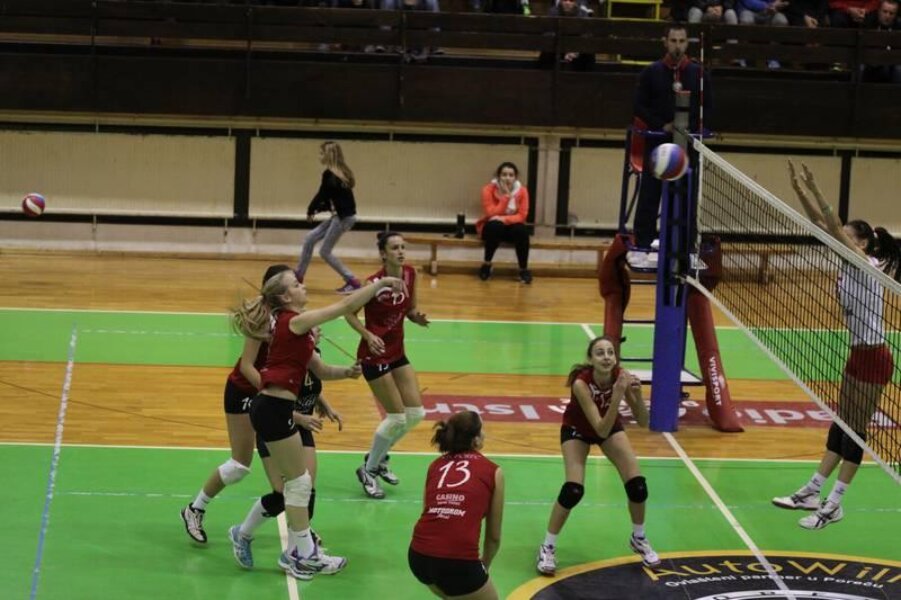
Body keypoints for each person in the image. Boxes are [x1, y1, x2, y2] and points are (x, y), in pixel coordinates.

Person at [232, 267, 406, 578]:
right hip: (272, 409)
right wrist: (382, 283)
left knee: (299, 484)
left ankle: (301, 552)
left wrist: (347, 373)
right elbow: (344, 306)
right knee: (298, 484)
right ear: (286, 297)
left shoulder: (295, 329)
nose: (303, 286)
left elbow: (321, 370)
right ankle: (302, 555)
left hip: (275, 409)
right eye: (296, 284)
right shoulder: (293, 321)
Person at [773, 162, 899, 529]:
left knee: (855, 431)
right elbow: (821, 224)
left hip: (875, 357)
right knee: (841, 424)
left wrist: (817, 189)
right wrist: (800, 190)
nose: (837, 237)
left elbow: (830, 223)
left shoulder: (865, 262)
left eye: (845, 235)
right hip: (858, 355)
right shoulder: (849, 258)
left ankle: (834, 504)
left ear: (862, 243)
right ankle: (812, 491)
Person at [180, 264, 293, 546]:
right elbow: (246, 366)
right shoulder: (262, 319)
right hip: (245, 392)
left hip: (269, 398)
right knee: (240, 465)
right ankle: (195, 509)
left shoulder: (293, 317)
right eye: (292, 282)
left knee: (287, 482)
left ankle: (299, 532)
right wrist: (268, 392)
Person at [227, 327, 357, 569]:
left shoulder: (312, 354)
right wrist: (300, 418)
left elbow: (312, 382)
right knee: (281, 494)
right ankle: (242, 534)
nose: (318, 329)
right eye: (312, 327)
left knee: (306, 489)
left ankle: (297, 549)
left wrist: (326, 405)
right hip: (276, 425)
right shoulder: (282, 358)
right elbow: (270, 399)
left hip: (302, 426)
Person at [536, 336, 660, 575]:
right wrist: (618, 394)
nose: (606, 357)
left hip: (609, 425)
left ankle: (639, 538)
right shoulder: (581, 384)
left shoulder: (620, 376)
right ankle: (547, 546)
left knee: (638, 486)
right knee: (573, 490)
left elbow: (644, 421)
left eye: (610, 352)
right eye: (600, 353)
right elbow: (600, 429)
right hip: (578, 430)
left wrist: (637, 395)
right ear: (591, 359)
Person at [346, 231, 430, 499]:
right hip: (375, 355)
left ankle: (378, 457)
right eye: (395, 248)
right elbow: (349, 312)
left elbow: (410, 308)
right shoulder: (373, 283)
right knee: (396, 417)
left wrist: (416, 317)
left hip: (397, 351)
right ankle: (369, 470)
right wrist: (367, 335)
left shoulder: (410, 274)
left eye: (403, 247)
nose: (401, 251)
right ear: (383, 253)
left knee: (416, 413)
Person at [629, 24, 712, 267]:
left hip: (687, 146)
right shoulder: (651, 72)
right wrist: (662, 125)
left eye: (682, 41)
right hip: (657, 143)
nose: (677, 46)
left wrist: (691, 129)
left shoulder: (698, 74)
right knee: (650, 195)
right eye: (673, 40)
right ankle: (642, 245)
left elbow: (708, 107)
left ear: (687, 43)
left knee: (688, 198)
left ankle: (688, 249)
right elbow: (638, 106)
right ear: (665, 42)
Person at [409, 411, 505, 600]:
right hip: (458, 562)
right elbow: (493, 537)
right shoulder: (493, 471)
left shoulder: (435, 465)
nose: (485, 434)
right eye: (482, 430)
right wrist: (483, 567)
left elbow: (429, 511)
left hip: (418, 556)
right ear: (475, 440)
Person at [297, 141, 362, 295]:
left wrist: (311, 210)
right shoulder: (341, 173)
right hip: (340, 217)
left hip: (343, 218)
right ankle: (298, 276)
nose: (319, 156)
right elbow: (331, 200)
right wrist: (318, 209)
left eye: (321, 153)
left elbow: (321, 195)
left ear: (329, 155)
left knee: (325, 252)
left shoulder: (330, 175)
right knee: (310, 238)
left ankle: (352, 281)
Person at [475, 162, 532, 284]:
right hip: (492, 228)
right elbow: (491, 213)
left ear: (515, 177)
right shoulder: (488, 189)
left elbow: (522, 216)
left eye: (511, 175)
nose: (507, 178)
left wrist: (504, 219)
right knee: (495, 226)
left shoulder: (522, 191)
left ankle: (523, 269)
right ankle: (487, 265)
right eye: (504, 174)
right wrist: (506, 197)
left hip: (511, 227)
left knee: (521, 231)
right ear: (498, 176)